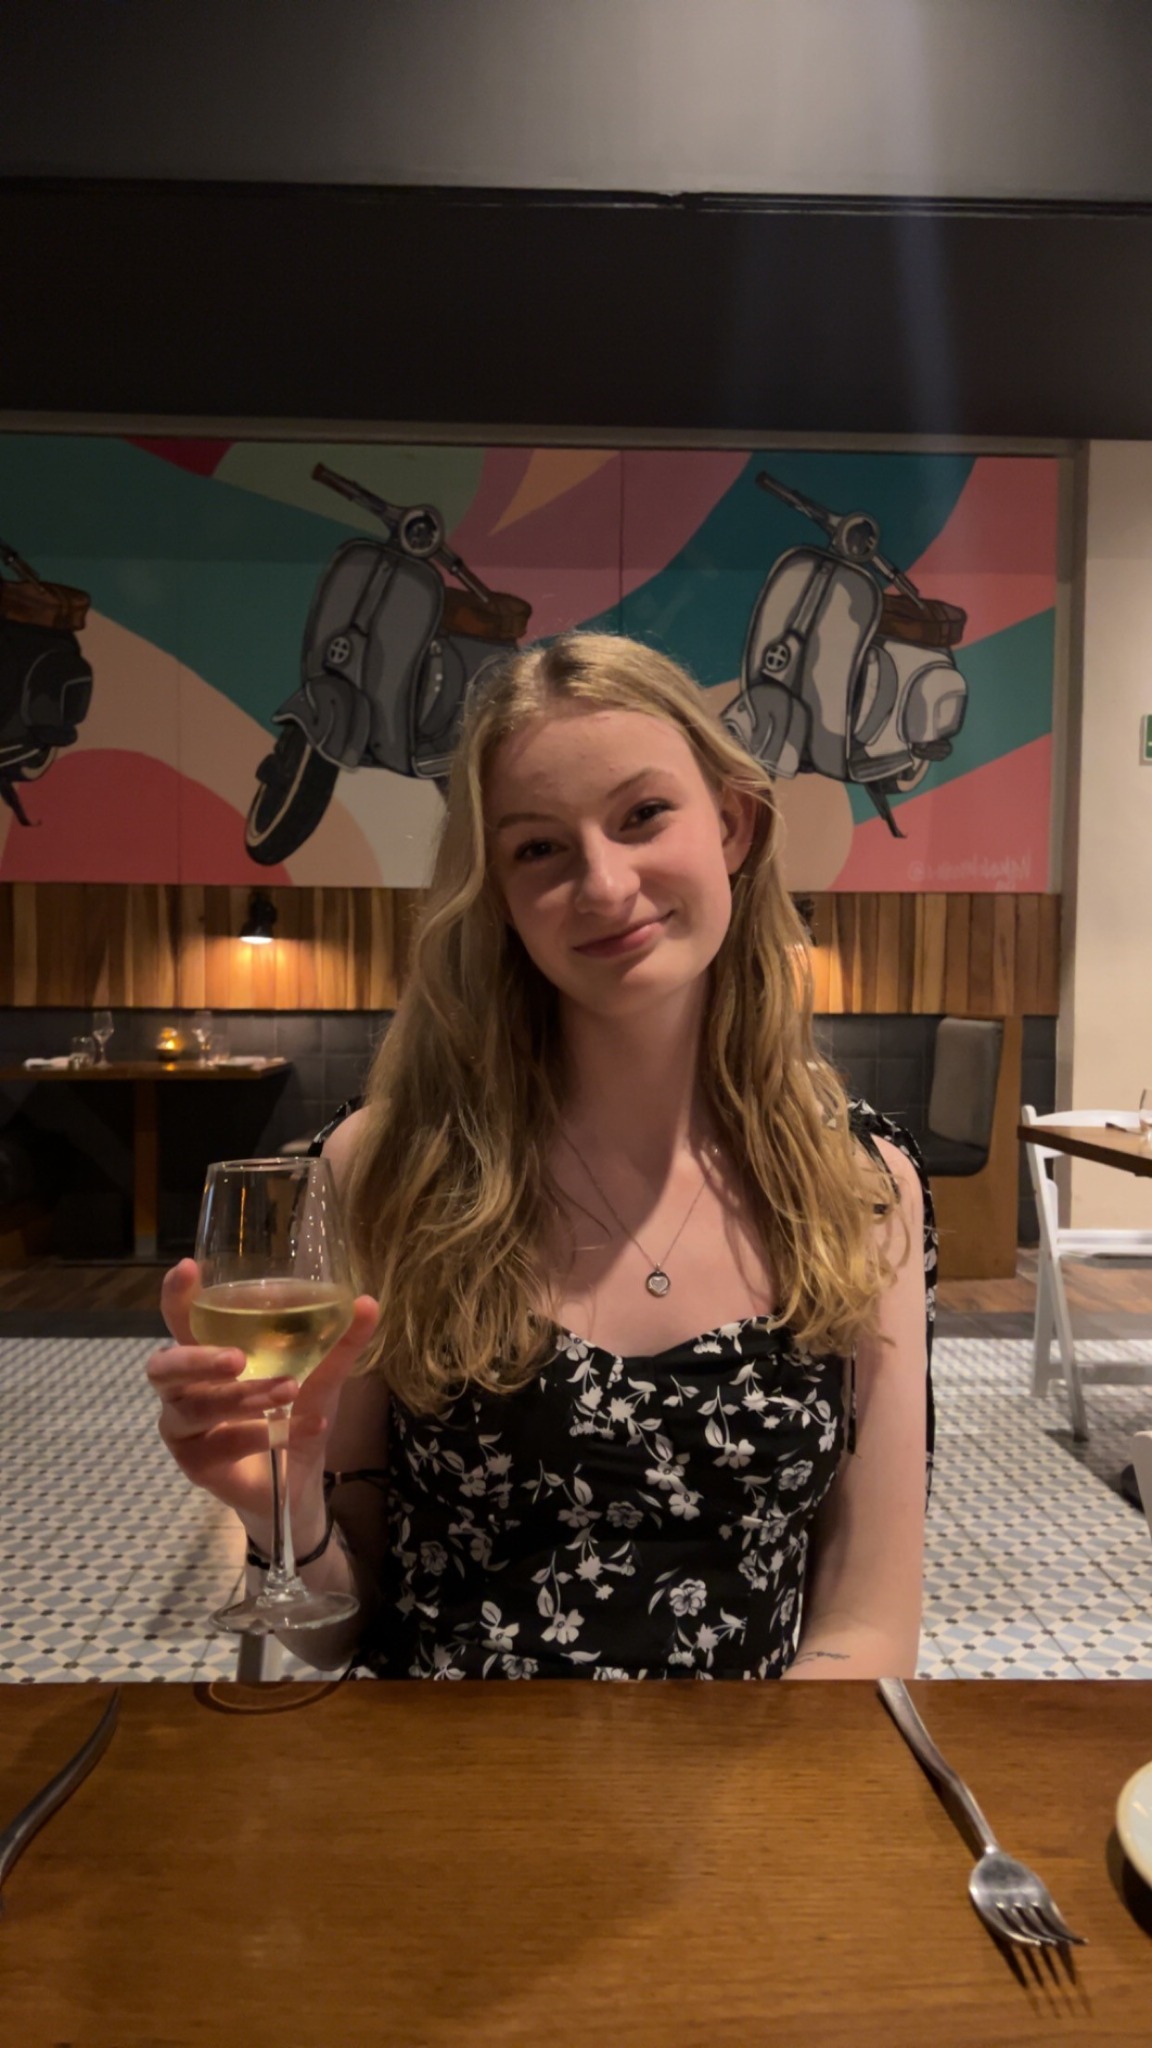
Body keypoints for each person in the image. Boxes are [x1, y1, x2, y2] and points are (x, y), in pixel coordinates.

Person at [149, 632, 934, 1681]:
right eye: (538, 849)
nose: (604, 883)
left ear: (733, 823)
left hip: (753, 1776)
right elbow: (339, 1634)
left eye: (642, 815)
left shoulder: (863, 1186)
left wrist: (749, 1793)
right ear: (499, 896)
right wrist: (281, 1510)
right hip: (452, 1772)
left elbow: (868, 1624)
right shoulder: (384, 1167)